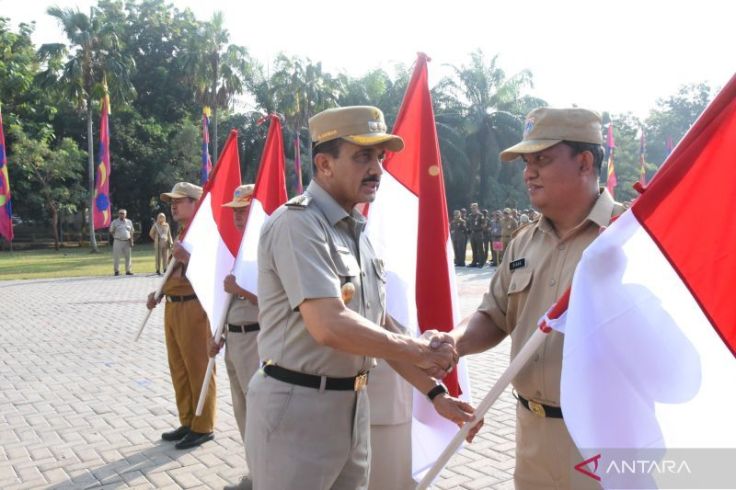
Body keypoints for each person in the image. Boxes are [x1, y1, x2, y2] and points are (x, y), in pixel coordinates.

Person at [246, 106, 474, 490]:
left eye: (379, 157)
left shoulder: (357, 232)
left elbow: (377, 327)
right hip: (297, 409)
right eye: (362, 156)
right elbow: (330, 324)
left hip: (352, 408)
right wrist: (418, 349)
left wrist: (436, 394)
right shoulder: (298, 224)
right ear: (324, 163)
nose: (377, 169)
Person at [452, 107, 624, 489]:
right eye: (526, 162)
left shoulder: (629, 240)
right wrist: (453, 343)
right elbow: (494, 315)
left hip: (606, 440)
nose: (529, 172)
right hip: (532, 435)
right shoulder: (524, 241)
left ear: (584, 162)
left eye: (542, 160)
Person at [146, 182, 217, 450]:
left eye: (179, 200)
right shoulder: (183, 232)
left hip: (193, 308)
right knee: (179, 367)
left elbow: (213, 270)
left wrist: (188, 256)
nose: (173, 205)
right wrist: (159, 292)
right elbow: (174, 272)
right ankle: (188, 420)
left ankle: (203, 425)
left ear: (196, 203)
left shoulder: (206, 233)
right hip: (173, 306)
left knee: (198, 367)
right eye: (171, 201)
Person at [208, 184, 259, 490]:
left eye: (244, 210)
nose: (238, 217)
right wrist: (217, 333)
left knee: (259, 413)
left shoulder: (264, 248)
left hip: (257, 339)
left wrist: (240, 290)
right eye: (235, 211)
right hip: (234, 339)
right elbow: (223, 296)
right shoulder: (238, 249)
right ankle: (255, 473)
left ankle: (265, 475)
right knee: (242, 411)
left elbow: (280, 302)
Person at [109, 209, 134, 276]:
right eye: (120, 213)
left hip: (127, 241)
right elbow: (111, 231)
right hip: (118, 241)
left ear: (126, 214)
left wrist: (131, 241)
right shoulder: (115, 222)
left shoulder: (129, 222)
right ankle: (117, 271)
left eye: (123, 213)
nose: (122, 214)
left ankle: (128, 270)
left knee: (128, 257)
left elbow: (131, 232)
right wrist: (115, 236)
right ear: (118, 214)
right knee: (116, 257)